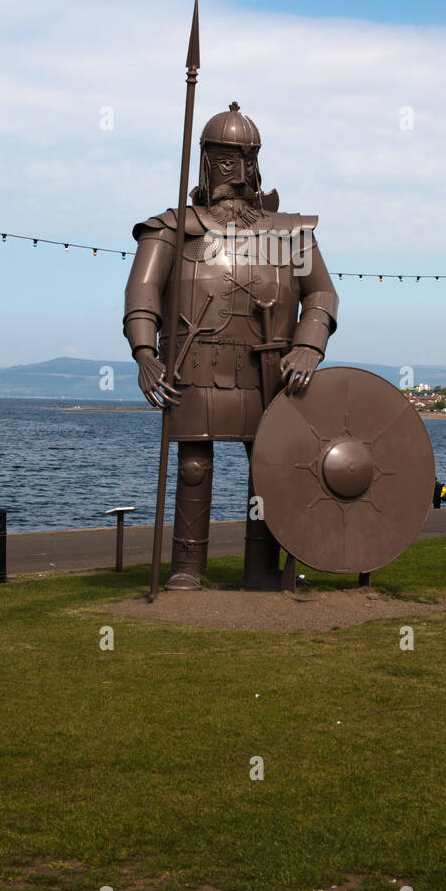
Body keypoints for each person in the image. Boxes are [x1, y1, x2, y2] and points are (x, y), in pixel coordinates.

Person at [124, 101, 338, 591]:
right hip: (195, 365)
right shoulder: (170, 228)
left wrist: (308, 347)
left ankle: (263, 568)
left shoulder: (291, 235)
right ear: (206, 162)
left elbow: (322, 294)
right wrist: (144, 353)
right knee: (195, 467)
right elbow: (143, 291)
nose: (238, 177)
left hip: (271, 368)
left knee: (267, 469)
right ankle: (186, 568)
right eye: (226, 163)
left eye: (246, 163)